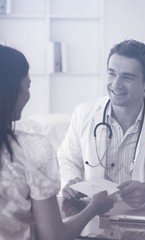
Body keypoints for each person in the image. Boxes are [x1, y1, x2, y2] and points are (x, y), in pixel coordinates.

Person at [58, 39, 145, 208]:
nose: (116, 84)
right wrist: (70, 182)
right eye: (112, 74)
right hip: (92, 213)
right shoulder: (83, 113)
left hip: (142, 219)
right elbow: (68, 160)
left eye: (127, 77)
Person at [0, 45, 114, 240]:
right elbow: (54, 236)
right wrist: (94, 207)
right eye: (27, 85)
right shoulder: (31, 150)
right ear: (11, 90)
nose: (28, 94)